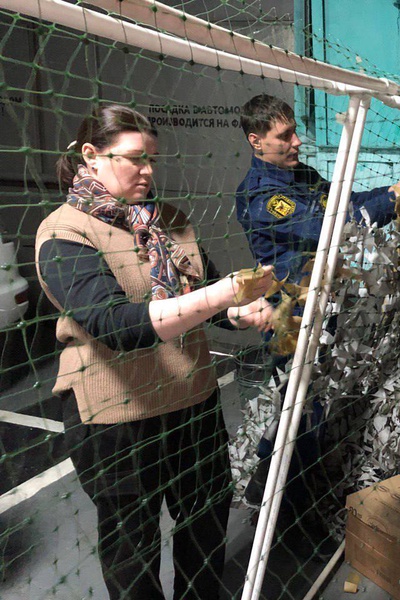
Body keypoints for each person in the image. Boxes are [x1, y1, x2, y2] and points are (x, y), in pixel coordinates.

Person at [35, 104, 274, 600]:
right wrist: (220, 296)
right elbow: (114, 326)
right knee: (133, 549)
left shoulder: (169, 220)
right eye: (134, 159)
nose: (148, 171)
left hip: (193, 406)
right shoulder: (64, 232)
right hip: (118, 420)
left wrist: (236, 313)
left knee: (205, 531)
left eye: (154, 160)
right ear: (90, 157)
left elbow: (202, 295)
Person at [234, 94, 400, 505]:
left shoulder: (300, 176)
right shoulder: (262, 196)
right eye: (285, 136)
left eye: (295, 131)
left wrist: (393, 190)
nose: (297, 141)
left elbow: (345, 203)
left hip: (322, 306)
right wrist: (392, 200)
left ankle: (278, 490)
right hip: (291, 316)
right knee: (300, 410)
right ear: (255, 141)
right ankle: (279, 503)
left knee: (307, 407)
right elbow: (332, 228)